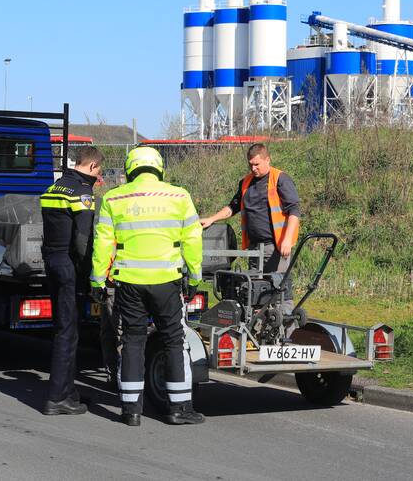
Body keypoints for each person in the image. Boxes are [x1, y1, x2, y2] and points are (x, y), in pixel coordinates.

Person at [90, 146, 204, 427]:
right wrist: (195, 278)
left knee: (132, 341)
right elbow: (193, 238)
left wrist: (97, 280)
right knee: (174, 341)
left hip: (129, 282)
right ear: (159, 168)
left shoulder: (114, 198)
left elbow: (103, 243)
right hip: (166, 281)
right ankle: (178, 409)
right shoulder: (179, 196)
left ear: (130, 170)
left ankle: (130, 411)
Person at [39, 146, 105, 416]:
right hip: (68, 267)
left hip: (52, 262)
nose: (99, 177)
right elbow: (82, 240)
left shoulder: (53, 189)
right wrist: (89, 273)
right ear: (91, 167)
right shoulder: (82, 192)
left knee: (63, 329)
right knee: (68, 332)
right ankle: (57, 398)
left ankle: (68, 391)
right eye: (99, 171)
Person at [199, 143, 301, 273]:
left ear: (267, 160)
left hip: (276, 246)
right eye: (250, 164)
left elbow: (294, 210)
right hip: (254, 248)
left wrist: (287, 240)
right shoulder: (246, 182)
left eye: (257, 164)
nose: (253, 168)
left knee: (277, 288)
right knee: (255, 289)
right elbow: (233, 207)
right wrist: (212, 219)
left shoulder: (280, 179)